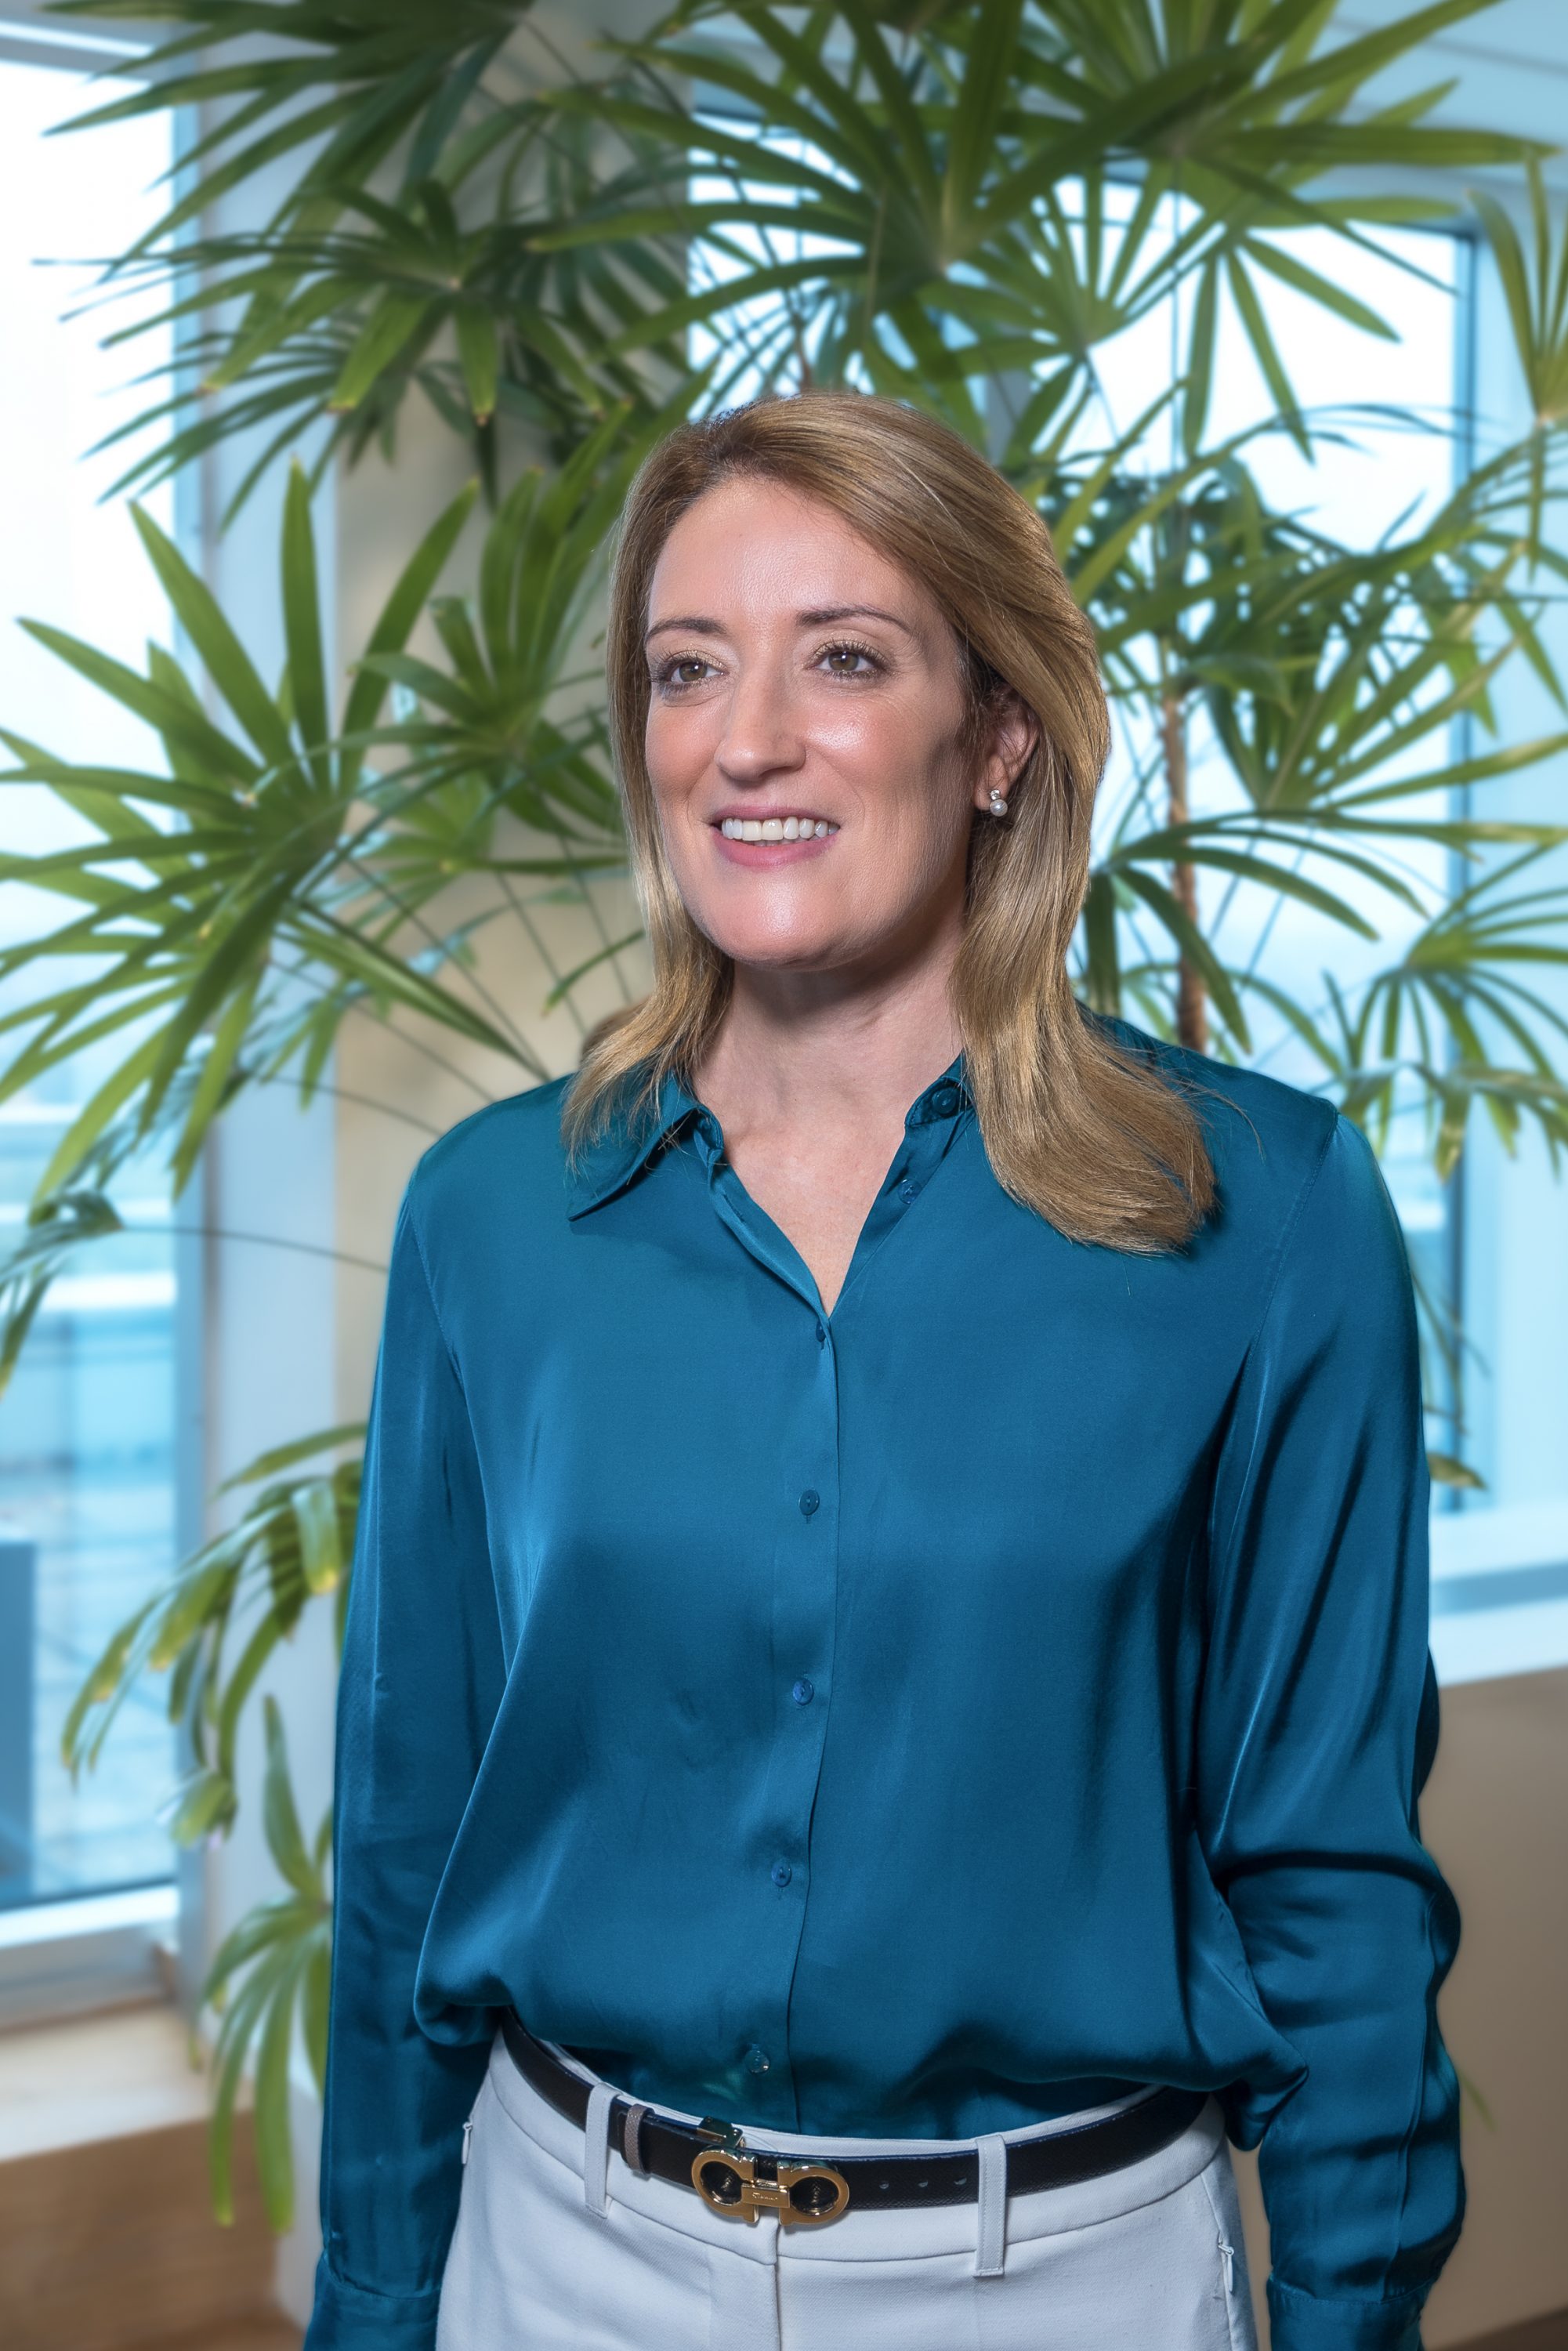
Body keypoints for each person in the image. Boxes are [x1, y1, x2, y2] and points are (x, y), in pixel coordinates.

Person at [303, 392, 1462, 2351]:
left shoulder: (1259, 1216)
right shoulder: (492, 1218)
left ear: (995, 733)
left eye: (841, 658)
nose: (745, 737)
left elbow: (1328, 1871)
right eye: (688, 671)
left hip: (1063, 2285)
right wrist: (374, 2300)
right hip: (558, 2260)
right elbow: (408, 1839)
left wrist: (1347, 2316)